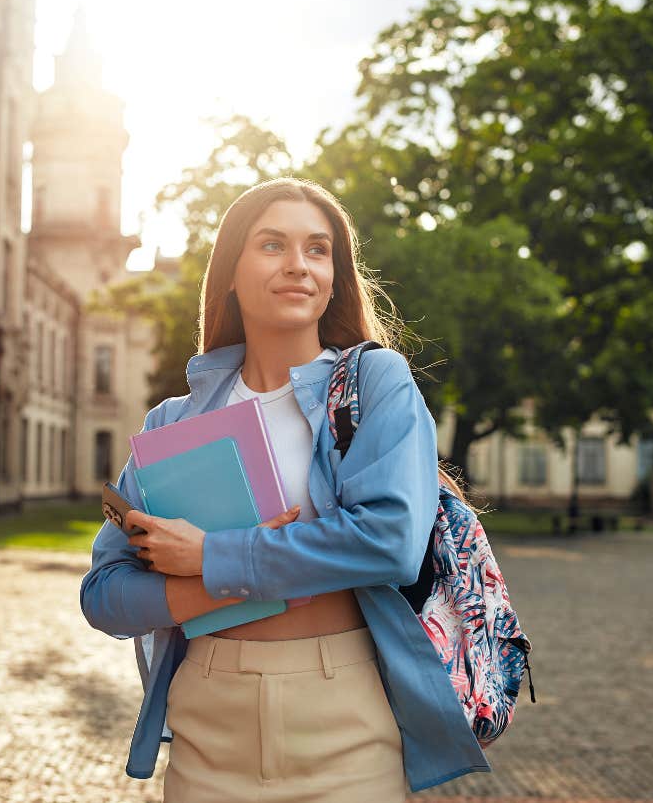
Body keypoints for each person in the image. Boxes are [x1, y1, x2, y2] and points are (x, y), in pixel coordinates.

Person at [80, 177, 489, 802]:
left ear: (334, 276)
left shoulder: (374, 383)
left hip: (344, 719)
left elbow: (390, 542)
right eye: (273, 245)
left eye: (318, 249)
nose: (299, 265)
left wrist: (214, 556)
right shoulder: (174, 422)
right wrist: (214, 587)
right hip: (207, 722)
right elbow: (105, 595)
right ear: (232, 273)